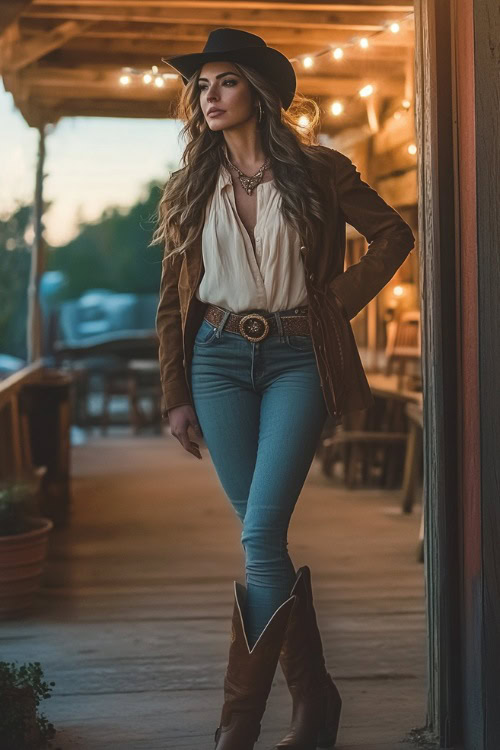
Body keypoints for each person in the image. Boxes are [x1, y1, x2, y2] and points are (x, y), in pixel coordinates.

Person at [153, 27, 415, 750]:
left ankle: (237, 726)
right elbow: (172, 299)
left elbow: (394, 234)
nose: (209, 96)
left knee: (261, 534)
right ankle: (315, 704)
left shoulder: (320, 170)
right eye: (201, 86)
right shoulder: (190, 185)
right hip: (215, 361)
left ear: (258, 92)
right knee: (260, 540)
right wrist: (176, 390)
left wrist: (335, 302)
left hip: (300, 357)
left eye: (225, 82)